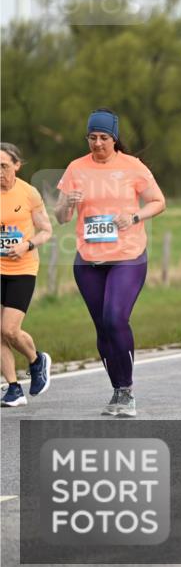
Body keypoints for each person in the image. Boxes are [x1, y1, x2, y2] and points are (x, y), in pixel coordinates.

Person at [54, 109, 167, 417]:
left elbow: (158, 202)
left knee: (115, 317)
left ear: (114, 139)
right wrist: (68, 203)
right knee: (102, 327)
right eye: (92, 137)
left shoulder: (132, 166)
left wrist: (133, 216)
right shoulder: (76, 168)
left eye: (104, 137)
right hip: (88, 259)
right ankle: (117, 390)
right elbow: (62, 217)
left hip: (128, 256)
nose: (98, 143)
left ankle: (127, 389)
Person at [1, 143, 54, 407]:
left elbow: (46, 230)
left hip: (22, 269)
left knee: (9, 330)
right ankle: (13, 388)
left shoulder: (28, 193)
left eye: (4, 167)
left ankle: (36, 360)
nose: (0, 173)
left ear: (17, 165)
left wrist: (27, 245)